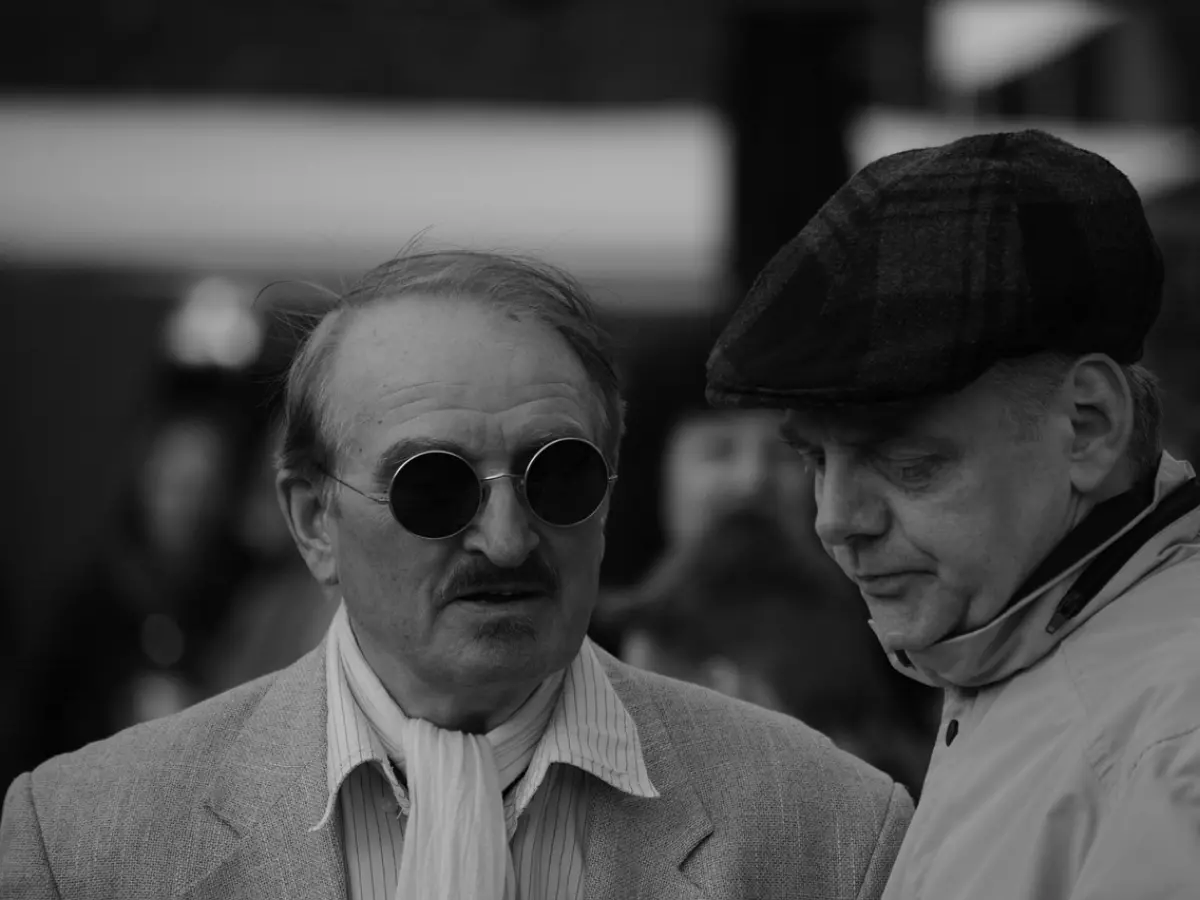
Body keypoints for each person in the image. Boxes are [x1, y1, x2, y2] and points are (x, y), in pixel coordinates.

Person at [2, 250, 912, 899]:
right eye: (432, 488)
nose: (509, 539)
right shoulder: (82, 839)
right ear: (314, 517)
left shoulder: (831, 830)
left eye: (559, 475)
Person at [705, 129, 1200, 898]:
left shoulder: (1173, 741)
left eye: (907, 462)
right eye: (814, 460)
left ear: (1089, 425)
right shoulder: (1020, 653)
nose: (837, 520)